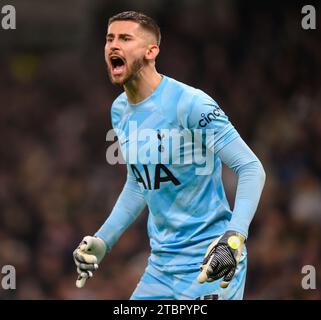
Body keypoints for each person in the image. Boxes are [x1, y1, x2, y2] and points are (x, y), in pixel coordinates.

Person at [73, 11, 266, 300]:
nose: (114, 45)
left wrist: (234, 237)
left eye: (125, 38)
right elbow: (139, 183)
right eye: (109, 38)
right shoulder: (120, 110)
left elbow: (251, 168)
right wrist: (104, 239)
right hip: (161, 268)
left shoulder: (191, 104)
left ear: (152, 51)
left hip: (212, 260)